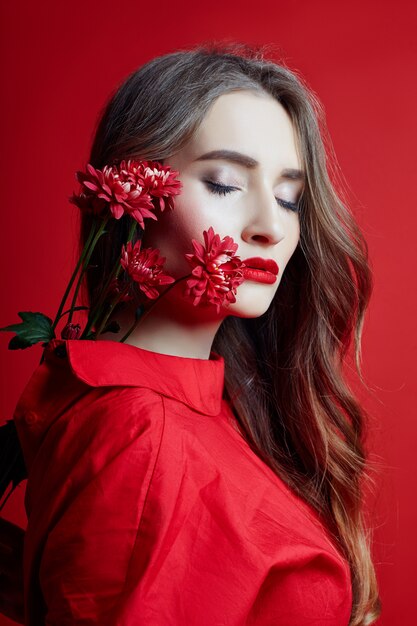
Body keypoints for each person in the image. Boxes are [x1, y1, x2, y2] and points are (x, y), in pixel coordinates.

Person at [1, 42, 381, 625]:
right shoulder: (140, 435)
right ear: (135, 194)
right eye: (226, 184)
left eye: (289, 198)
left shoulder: (216, 408)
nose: (271, 226)